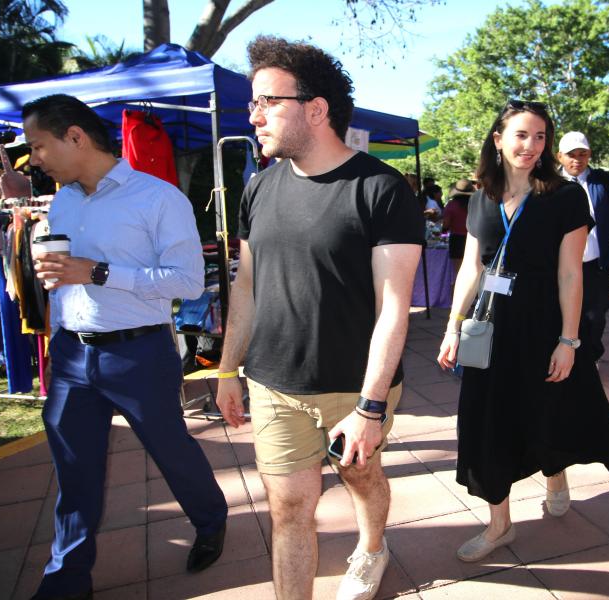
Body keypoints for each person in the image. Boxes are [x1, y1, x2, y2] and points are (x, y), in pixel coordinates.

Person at [213, 36, 423, 600]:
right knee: (288, 509)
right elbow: (248, 285)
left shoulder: (381, 189)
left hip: (354, 387)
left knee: (360, 475)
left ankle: (372, 548)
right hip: (273, 384)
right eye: (250, 104)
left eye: (266, 102)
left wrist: (370, 407)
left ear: (316, 108)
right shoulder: (258, 187)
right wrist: (228, 369)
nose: (253, 115)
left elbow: (394, 308)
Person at [24, 94, 228, 600]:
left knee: (171, 449)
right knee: (73, 468)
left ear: (75, 136)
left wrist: (95, 271)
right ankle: (67, 579)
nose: (35, 159)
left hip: (138, 352)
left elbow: (187, 282)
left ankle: (210, 518)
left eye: (39, 146)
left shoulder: (158, 198)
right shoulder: (64, 199)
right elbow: (67, 272)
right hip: (72, 352)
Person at [437, 100, 609, 562]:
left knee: (550, 408)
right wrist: (452, 326)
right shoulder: (481, 195)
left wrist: (569, 340)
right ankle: (499, 525)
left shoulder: (565, 196)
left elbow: (570, 275)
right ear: (498, 139)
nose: (531, 146)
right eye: (521, 135)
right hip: (491, 329)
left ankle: (554, 469)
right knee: (486, 422)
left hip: (545, 325)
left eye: (540, 137)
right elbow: (472, 269)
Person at [556, 131, 609, 361]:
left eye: (582, 154)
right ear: (559, 156)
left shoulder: (605, 182)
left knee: (595, 316)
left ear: (589, 155)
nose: (577, 159)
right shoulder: (549, 183)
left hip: (595, 264)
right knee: (559, 313)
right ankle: (563, 356)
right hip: (558, 265)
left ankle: (590, 359)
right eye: (571, 155)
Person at [441, 179, 474, 274]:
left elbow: (446, 224)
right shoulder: (474, 205)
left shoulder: (451, 205)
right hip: (472, 238)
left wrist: (443, 234)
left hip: (457, 240)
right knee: (471, 271)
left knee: (458, 272)